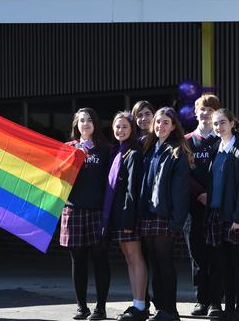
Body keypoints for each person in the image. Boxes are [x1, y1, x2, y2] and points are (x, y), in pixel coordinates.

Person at [206, 108, 239, 321]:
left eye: (222, 122)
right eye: (215, 124)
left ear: (232, 123)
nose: (219, 127)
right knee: (224, 265)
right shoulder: (215, 150)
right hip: (217, 215)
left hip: (237, 218)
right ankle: (228, 307)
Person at [139, 107, 191, 321]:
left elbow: (180, 191)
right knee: (153, 263)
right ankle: (161, 308)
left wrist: (176, 221)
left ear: (174, 126)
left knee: (164, 263)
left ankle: (170, 310)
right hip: (149, 215)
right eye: (158, 122)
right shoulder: (150, 148)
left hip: (165, 216)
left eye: (166, 122)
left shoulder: (177, 150)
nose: (161, 126)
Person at [60, 108, 111, 320]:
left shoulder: (106, 149)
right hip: (73, 210)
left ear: (96, 123)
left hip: (97, 211)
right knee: (78, 260)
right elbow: (58, 175)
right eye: (81, 120)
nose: (86, 123)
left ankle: (100, 307)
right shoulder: (67, 148)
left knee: (100, 259)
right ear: (76, 125)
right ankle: (82, 307)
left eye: (90, 119)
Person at [102, 112, 147, 321]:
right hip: (117, 216)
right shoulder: (116, 152)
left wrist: (129, 219)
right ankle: (137, 302)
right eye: (117, 127)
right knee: (130, 260)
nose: (120, 131)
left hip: (127, 217)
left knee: (135, 259)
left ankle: (140, 305)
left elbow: (132, 189)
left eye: (124, 127)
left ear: (132, 130)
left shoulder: (133, 153)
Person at [183, 94, 223, 317]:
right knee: (197, 255)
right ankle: (201, 300)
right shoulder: (187, 140)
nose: (206, 113)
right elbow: (182, 173)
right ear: (195, 112)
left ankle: (216, 301)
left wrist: (213, 194)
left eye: (210, 109)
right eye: (202, 109)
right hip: (194, 206)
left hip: (218, 206)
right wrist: (200, 193)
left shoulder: (223, 139)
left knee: (216, 254)